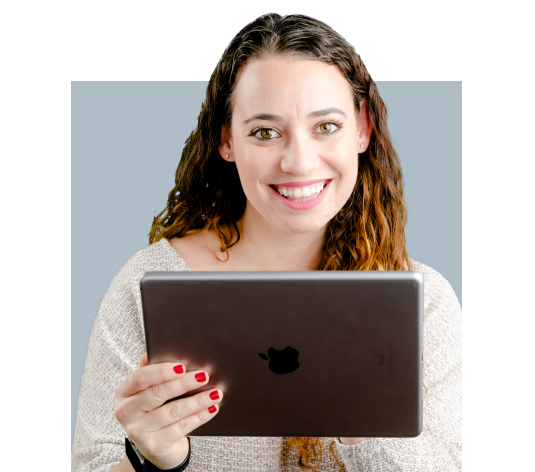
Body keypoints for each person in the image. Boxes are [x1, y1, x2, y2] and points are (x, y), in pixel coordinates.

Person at [72, 12, 461, 472]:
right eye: (264, 132)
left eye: (327, 126)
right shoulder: (147, 284)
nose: (298, 162)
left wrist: (365, 421)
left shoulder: (423, 302)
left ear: (362, 128)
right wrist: (154, 461)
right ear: (226, 140)